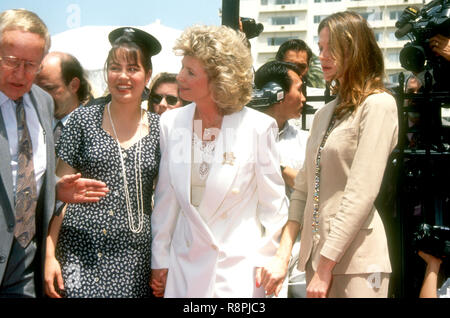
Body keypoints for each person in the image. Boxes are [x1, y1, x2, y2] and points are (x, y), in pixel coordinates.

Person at [260, 11, 398, 298]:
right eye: (320, 48)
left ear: (354, 49)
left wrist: (325, 267)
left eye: (330, 48)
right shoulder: (324, 113)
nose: (322, 56)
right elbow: (302, 190)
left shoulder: (379, 105)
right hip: (316, 262)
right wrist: (285, 256)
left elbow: (361, 192)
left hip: (357, 263)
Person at [150, 25, 288, 298]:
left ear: (218, 79)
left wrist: (267, 258)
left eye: (191, 72)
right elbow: (166, 200)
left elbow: (273, 205)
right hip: (184, 266)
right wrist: (160, 259)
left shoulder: (258, 127)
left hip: (238, 272)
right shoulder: (171, 123)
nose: (179, 77)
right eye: (182, 68)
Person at [44, 27, 161, 298]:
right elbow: (59, 194)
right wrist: (50, 255)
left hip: (136, 259)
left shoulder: (161, 130)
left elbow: (169, 201)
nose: (122, 76)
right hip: (78, 251)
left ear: (148, 76)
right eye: (114, 67)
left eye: (133, 68)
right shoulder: (82, 121)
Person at [0, 9, 107, 298]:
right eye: (11, 62)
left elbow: (24, 173)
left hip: (24, 264)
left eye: (31, 64)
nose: (21, 74)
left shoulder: (43, 103)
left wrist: (55, 189)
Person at [251, 60, 308, 298]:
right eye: (299, 89)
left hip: (297, 245)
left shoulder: (305, 140)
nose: (304, 98)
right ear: (277, 91)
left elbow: (315, 188)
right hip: (254, 245)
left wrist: (278, 168)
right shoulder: (242, 134)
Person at [35, 51, 93, 146]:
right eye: (37, 89)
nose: (42, 96)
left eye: (50, 88)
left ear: (74, 85)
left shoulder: (95, 130)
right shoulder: (35, 127)